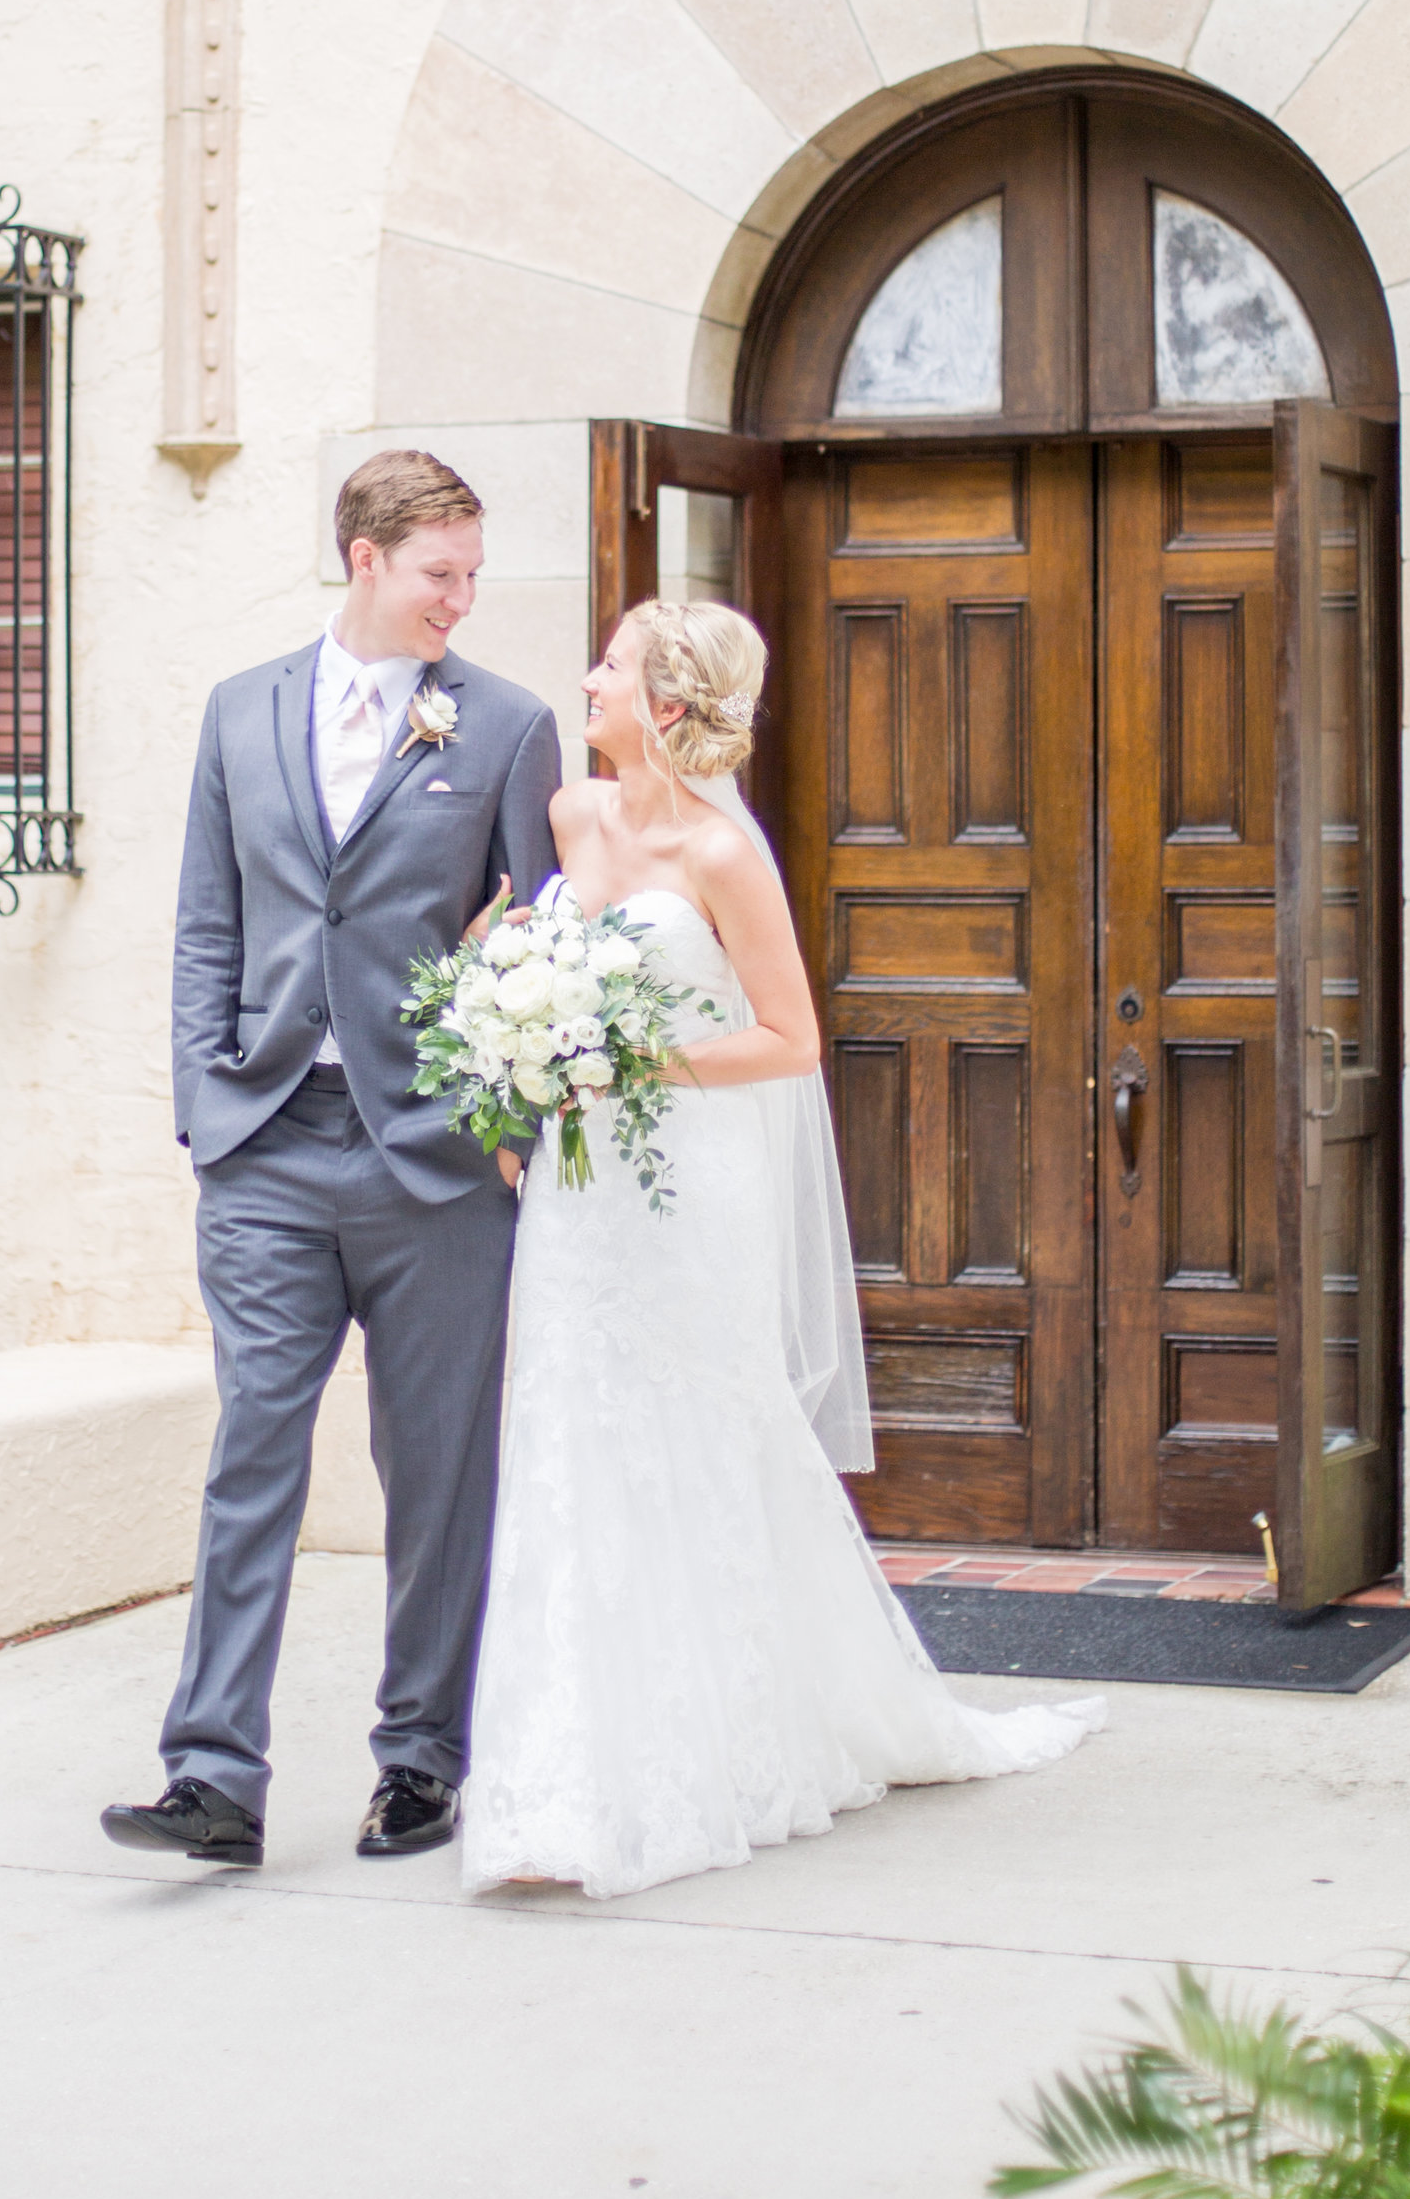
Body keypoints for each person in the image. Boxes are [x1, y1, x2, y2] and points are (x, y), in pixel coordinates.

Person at [462, 599, 1100, 1902]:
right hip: (580, 1195)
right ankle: (566, 1763)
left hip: (688, 1182)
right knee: (569, 1434)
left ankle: (726, 1739)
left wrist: (631, 1052)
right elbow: (503, 948)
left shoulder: (722, 849)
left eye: (614, 664)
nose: (588, 678)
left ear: (670, 704)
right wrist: (512, 1046)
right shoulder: (575, 819)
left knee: (699, 1433)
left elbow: (790, 1038)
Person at [103, 450, 564, 1873]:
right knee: (252, 1449)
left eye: (473, 575)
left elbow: (551, 936)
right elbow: (205, 923)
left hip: (433, 1167)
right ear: (363, 558)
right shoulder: (241, 712)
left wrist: (507, 1123)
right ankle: (212, 1773)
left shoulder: (506, 725)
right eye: (441, 573)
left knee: (435, 1474)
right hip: (267, 1152)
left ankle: (420, 1761)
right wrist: (204, 1106)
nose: (460, 599)